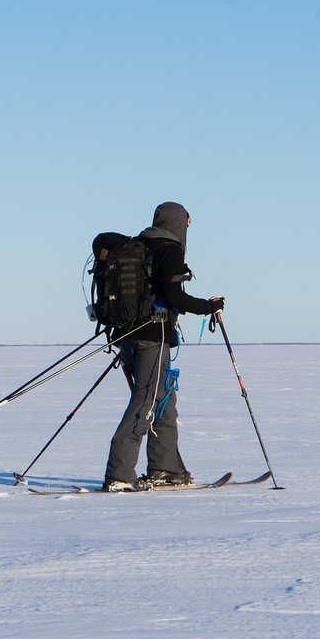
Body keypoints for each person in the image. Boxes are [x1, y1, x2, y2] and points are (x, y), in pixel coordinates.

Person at [103, 201, 224, 492]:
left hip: (129, 334)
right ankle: (119, 474)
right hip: (151, 336)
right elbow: (172, 295)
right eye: (188, 221)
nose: (189, 227)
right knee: (145, 402)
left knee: (163, 400)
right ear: (178, 223)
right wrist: (207, 307)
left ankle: (166, 468)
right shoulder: (168, 249)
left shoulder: (140, 244)